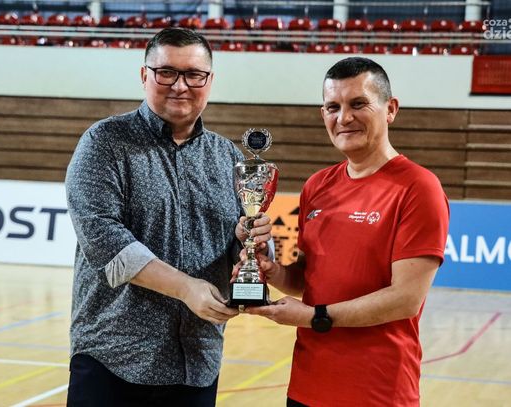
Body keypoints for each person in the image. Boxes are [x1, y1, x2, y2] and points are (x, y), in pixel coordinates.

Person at [65, 27, 271, 406]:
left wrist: (252, 244)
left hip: (198, 361)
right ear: (144, 75)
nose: (180, 86)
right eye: (166, 73)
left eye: (194, 75)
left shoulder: (228, 157)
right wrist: (186, 288)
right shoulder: (104, 143)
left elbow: (239, 248)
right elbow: (105, 241)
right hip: (114, 359)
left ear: (209, 81)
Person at [243, 57, 449, 406]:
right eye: (333, 107)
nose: (344, 118)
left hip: (378, 393)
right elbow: (307, 280)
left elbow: (405, 299)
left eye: (358, 104)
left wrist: (315, 317)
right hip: (306, 387)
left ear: (390, 109)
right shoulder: (317, 186)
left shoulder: (418, 188)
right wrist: (272, 270)